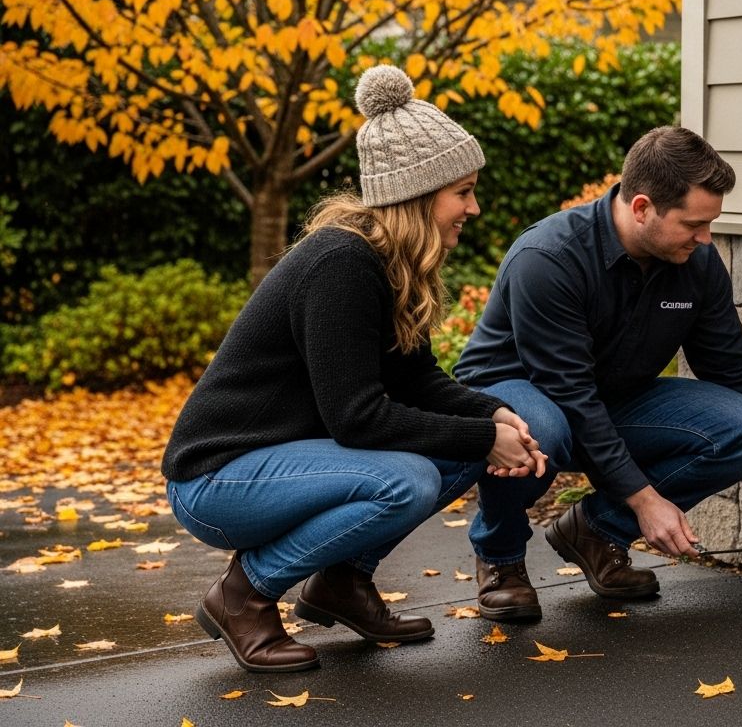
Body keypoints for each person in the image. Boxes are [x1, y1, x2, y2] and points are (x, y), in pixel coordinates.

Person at [162, 64, 546, 673]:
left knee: (458, 451)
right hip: (217, 479)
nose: (473, 207)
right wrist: (484, 436)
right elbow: (357, 418)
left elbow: (418, 381)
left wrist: (494, 415)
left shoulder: (390, 264)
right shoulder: (341, 263)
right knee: (408, 480)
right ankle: (244, 595)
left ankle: (343, 582)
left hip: (286, 462)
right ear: (417, 196)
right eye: (463, 191)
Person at [453, 125, 742, 621]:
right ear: (642, 207)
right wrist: (646, 500)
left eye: (710, 223)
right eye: (693, 224)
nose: (706, 238)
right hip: (521, 397)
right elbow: (568, 393)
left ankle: (595, 531)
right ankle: (500, 558)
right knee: (537, 427)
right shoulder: (549, 260)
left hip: (611, 397)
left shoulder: (694, 261)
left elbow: (733, 363)